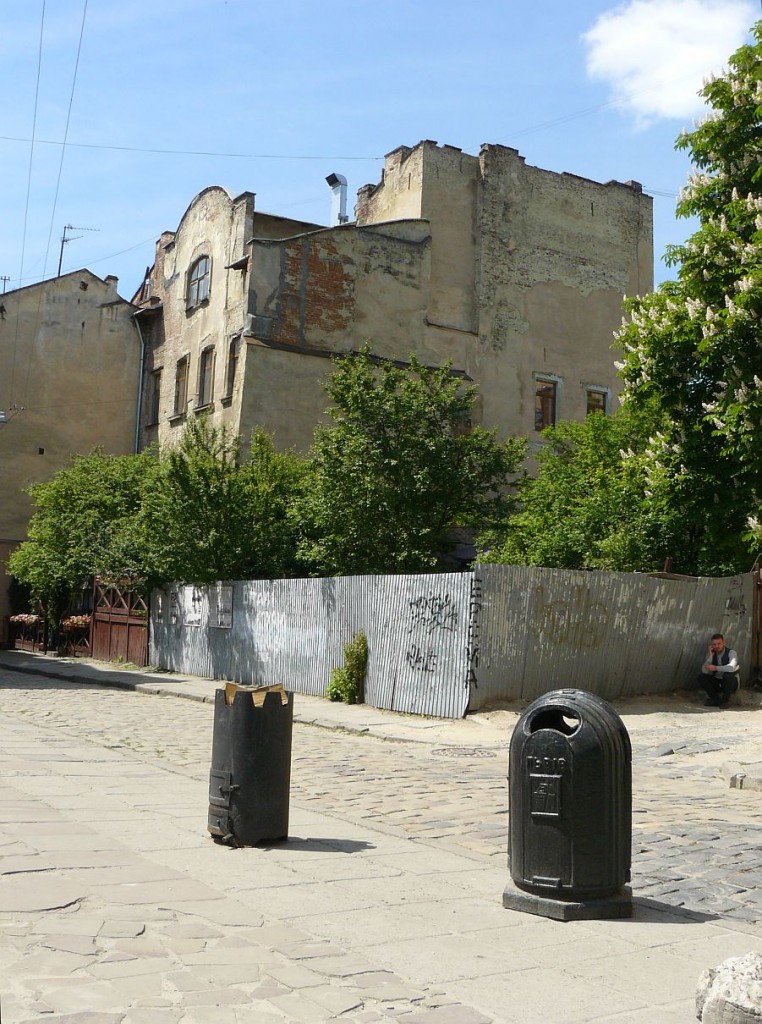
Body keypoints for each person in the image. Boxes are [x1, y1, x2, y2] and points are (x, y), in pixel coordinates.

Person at [699, 633, 740, 708]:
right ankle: (716, 700)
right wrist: (710, 656)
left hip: (731, 683)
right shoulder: (711, 653)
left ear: (724, 643)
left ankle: (725, 701)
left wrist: (716, 668)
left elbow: (731, 667)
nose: (716, 646)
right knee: (701, 677)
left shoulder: (731, 653)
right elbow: (704, 671)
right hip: (718, 682)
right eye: (714, 644)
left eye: (719, 643)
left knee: (728, 675)